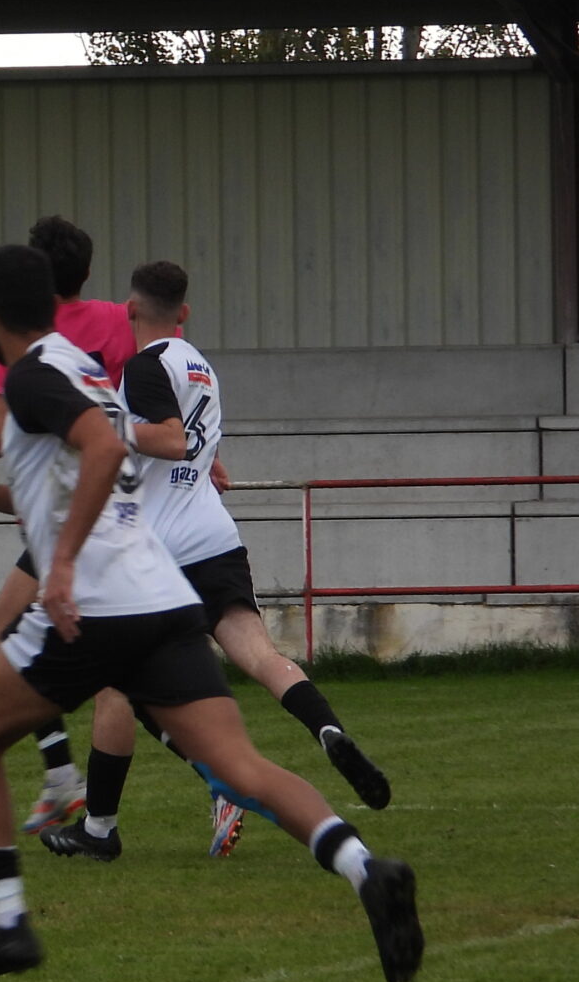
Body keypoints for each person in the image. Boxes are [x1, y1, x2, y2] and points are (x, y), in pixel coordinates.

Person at [0, 246, 422, 982]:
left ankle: (8, 923)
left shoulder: (29, 377)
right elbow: (83, 478)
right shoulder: (85, 368)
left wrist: (61, 567)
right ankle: (365, 869)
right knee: (240, 766)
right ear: (54, 308)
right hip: (161, 596)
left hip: (98, 603)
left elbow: (99, 451)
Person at [41, 260, 394, 863]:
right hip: (215, 538)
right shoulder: (200, 365)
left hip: (161, 551)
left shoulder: (145, 366)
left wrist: (99, 426)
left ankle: (101, 830)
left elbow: (171, 439)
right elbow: (198, 446)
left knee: (114, 688)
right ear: (183, 312)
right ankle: (327, 729)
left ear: (130, 310)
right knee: (261, 657)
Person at [0, 217, 137, 837]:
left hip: (68, 515)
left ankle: (217, 778)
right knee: (27, 633)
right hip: (126, 504)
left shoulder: (23, 339)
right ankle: (63, 780)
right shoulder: (118, 319)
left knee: (114, 676)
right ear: (86, 270)